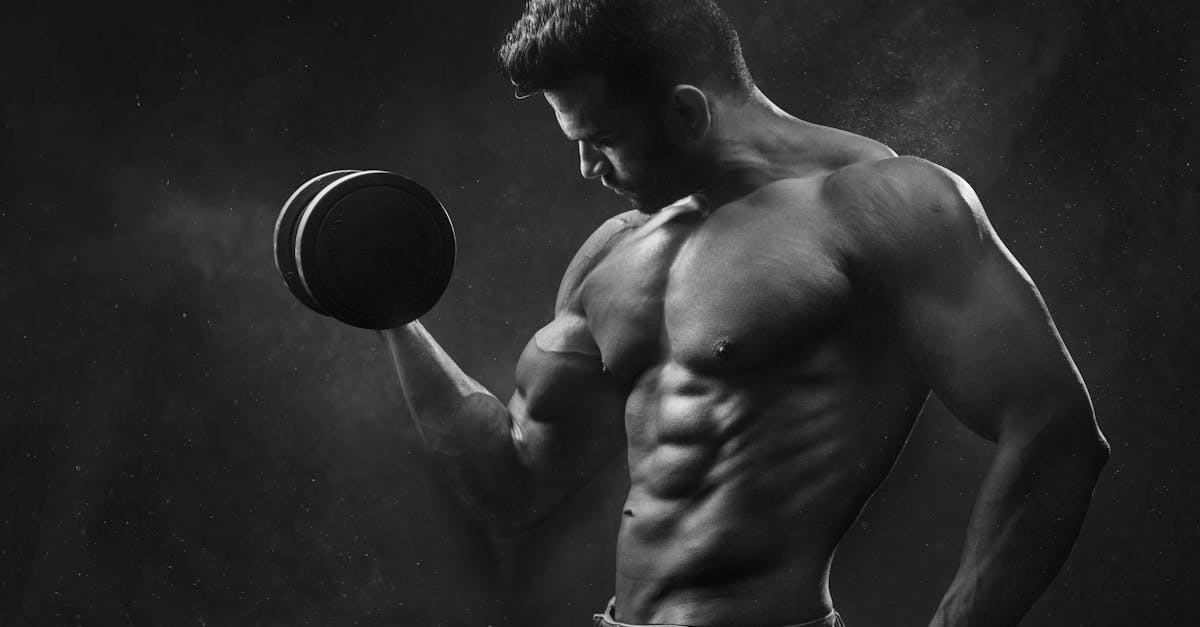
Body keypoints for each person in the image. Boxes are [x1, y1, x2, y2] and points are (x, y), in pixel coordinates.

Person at [379, 1, 1110, 625]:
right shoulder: (614, 253)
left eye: (600, 140)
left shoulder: (878, 206)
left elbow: (1056, 432)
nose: (586, 170)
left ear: (686, 111)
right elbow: (514, 486)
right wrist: (392, 313)